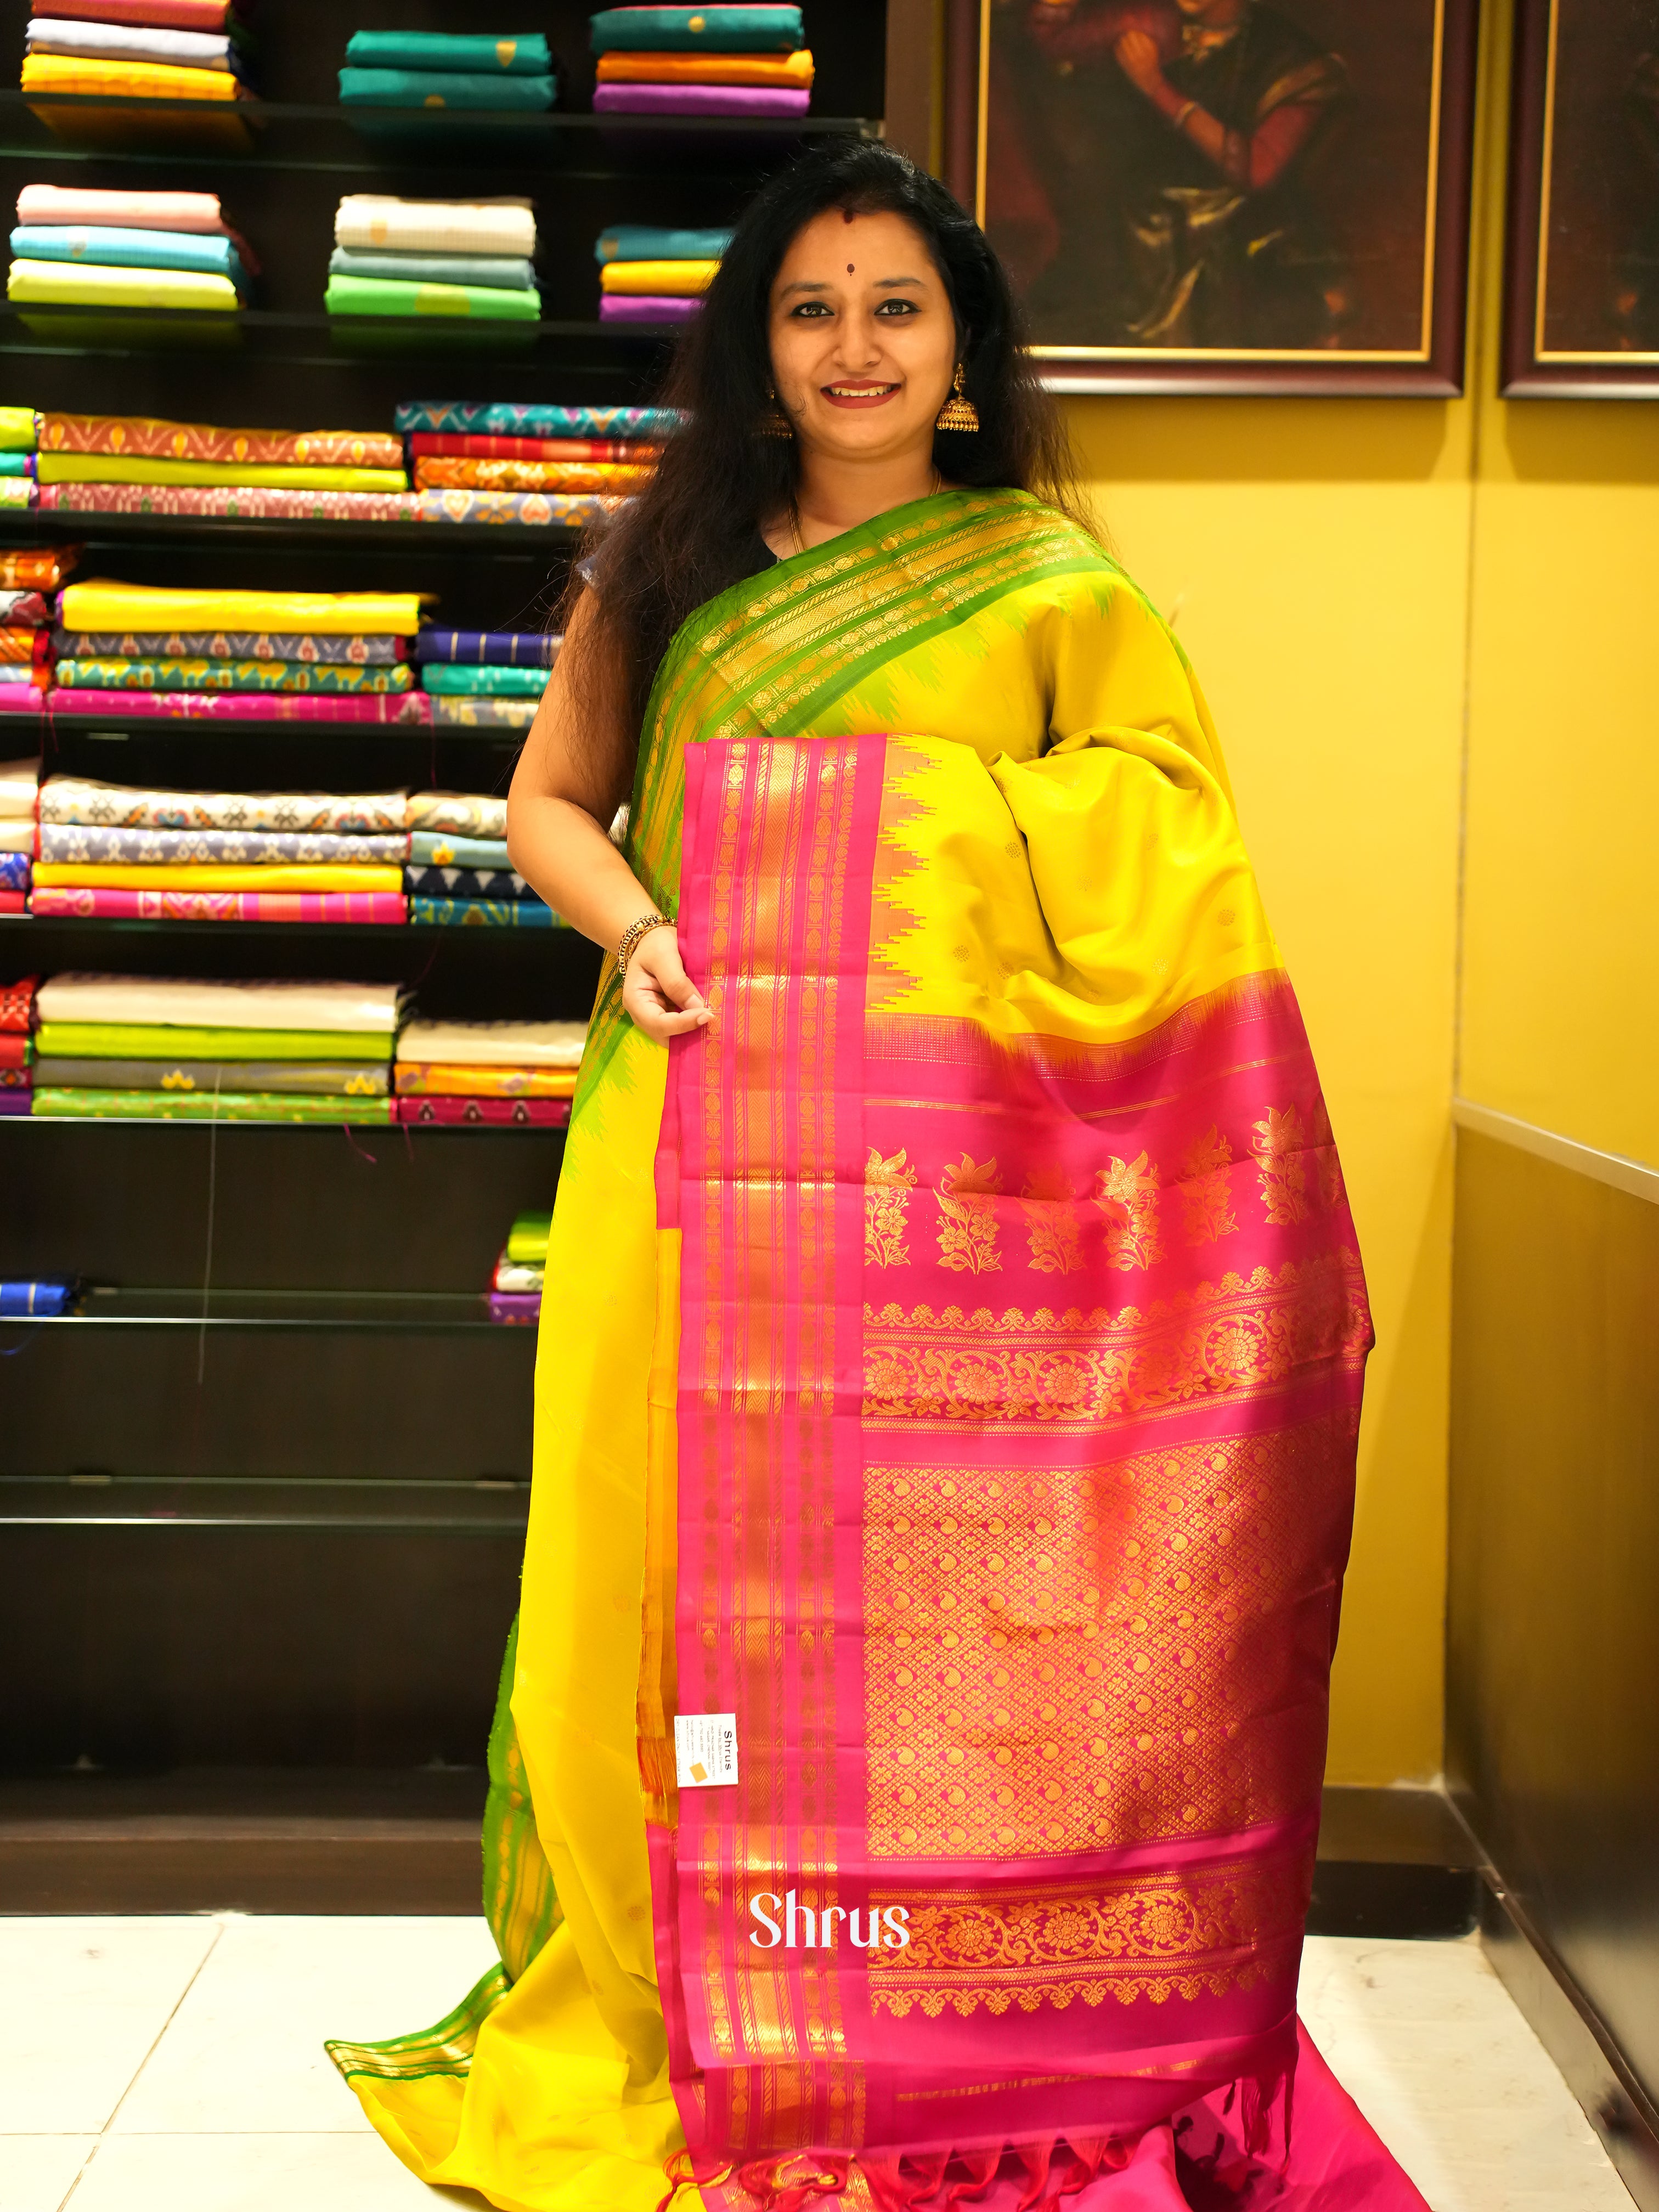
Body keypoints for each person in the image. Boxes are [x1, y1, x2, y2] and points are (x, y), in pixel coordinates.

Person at [326, 139, 1427, 2211]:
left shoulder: (1047, 585)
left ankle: (941, 1991)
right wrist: (634, 922)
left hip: (960, 1203)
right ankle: (689, 1994)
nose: (850, 346)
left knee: (942, 1596)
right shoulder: (665, 567)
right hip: (698, 1145)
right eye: (809, 307)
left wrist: (900, 847)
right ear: (757, 346)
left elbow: (1159, 843)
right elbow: (548, 803)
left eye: (892, 308)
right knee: (669, 1586)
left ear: (959, 353)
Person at [991, 0, 1351, 348]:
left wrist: (1156, 88)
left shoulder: (1292, 59)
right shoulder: (1149, 19)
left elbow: (1256, 169)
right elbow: (1050, 39)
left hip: (1238, 233)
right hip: (1135, 221)